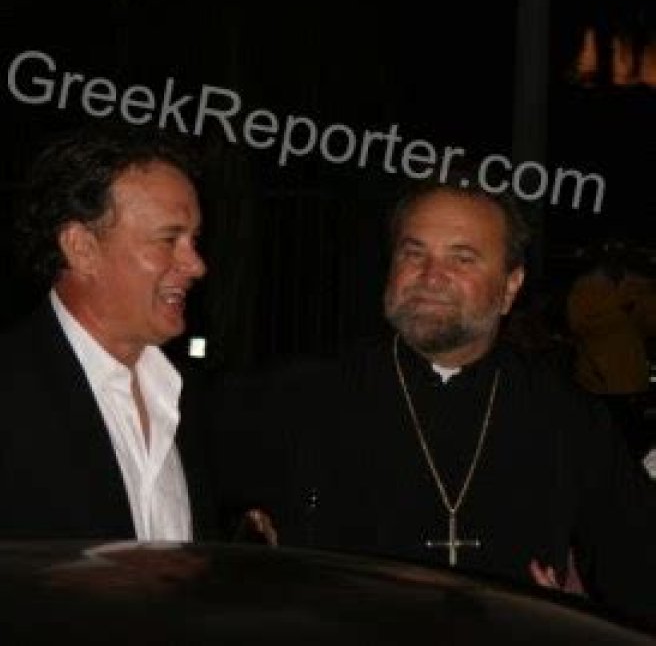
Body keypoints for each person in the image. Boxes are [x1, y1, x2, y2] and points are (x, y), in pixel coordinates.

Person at [210, 176, 656, 625]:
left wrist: (579, 620)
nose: (431, 276)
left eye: (462, 258)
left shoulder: (566, 416)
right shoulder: (300, 394)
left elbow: (636, 566)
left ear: (510, 287)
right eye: (414, 253)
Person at [0, 124, 216, 541]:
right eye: (169, 239)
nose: (196, 265)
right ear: (82, 248)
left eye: (193, 240)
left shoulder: (183, 396)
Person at [566, 239, 656, 459]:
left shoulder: (638, 287)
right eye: (611, 254)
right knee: (599, 442)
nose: (616, 260)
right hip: (598, 381)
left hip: (633, 378)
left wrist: (640, 305)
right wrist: (619, 310)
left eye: (621, 254)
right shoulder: (586, 287)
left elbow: (649, 326)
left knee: (633, 442)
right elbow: (577, 324)